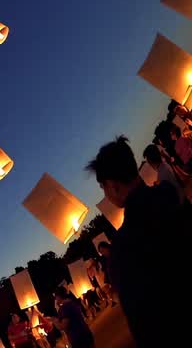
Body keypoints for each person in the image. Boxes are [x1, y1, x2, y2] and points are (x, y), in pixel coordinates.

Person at [87, 135, 192, 347]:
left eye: (103, 188)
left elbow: (147, 329)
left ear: (113, 186)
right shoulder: (169, 194)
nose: (106, 194)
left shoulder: (122, 251)